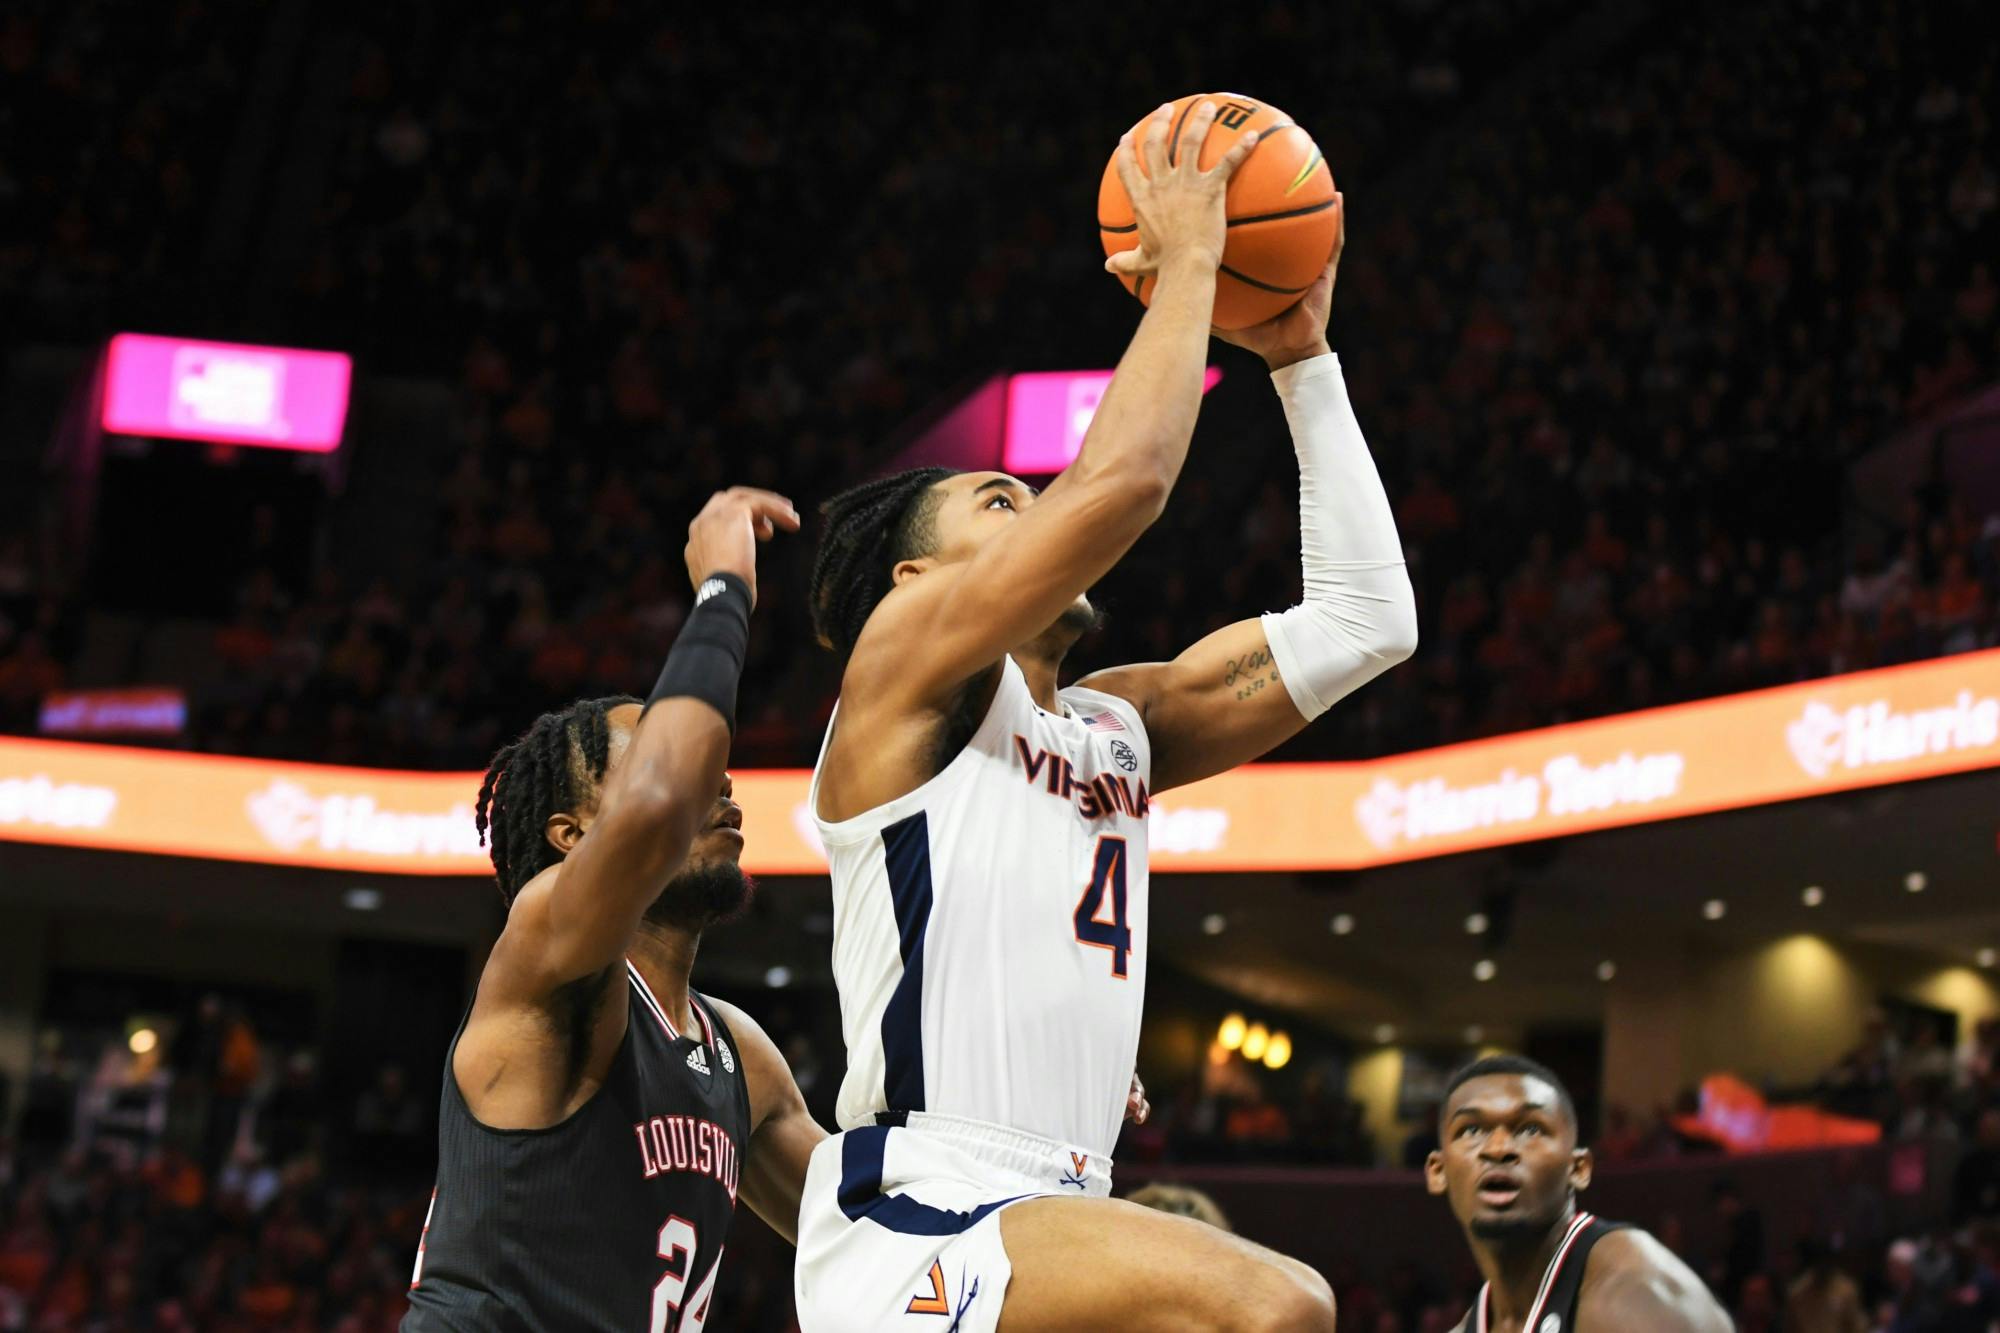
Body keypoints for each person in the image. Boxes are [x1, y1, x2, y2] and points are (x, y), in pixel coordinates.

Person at [796, 99, 1416, 1331]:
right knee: (1277, 1304)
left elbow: (1367, 623)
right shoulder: (901, 666)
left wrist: (1301, 362)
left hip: (1057, 1202)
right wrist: (1189, 255)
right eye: (998, 502)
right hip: (923, 1208)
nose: (1037, 510)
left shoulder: (1118, 727)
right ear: (918, 582)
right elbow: (1122, 482)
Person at [403, 488, 825, 1332]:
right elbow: (664, 801)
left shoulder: (739, 1056)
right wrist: (724, 592)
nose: (721, 779)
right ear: (571, 834)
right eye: (666, 768)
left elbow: (879, 1224)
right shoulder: (545, 954)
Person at [1426, 1055, 1729, 1332]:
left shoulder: (1641, 1299)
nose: (1499, 1149)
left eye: (1530, 1129)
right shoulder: (1472, 1325)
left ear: (1579, 1168)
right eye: (1471, 1130)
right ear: (1438, 1171)